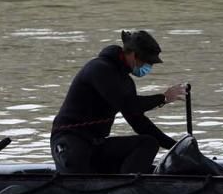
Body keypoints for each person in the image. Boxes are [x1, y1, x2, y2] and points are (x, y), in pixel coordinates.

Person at [51, 30, 189, 174]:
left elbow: (139, 123)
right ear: (134, 55)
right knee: (78, 162)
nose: (149, 68)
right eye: (147, 63)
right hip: (69, 140)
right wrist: (163, 98)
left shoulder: (126, 82)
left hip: (95, 144)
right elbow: (127, 104)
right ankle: (120, 188)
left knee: (148, 143)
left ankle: (129, 186)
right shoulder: (99, 69)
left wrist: (177, 148)